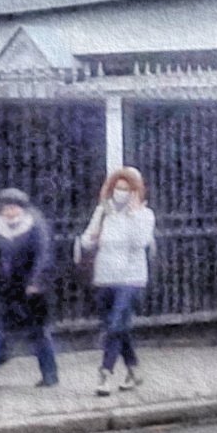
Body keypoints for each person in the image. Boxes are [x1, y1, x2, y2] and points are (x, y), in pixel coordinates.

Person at [0, 186, 58, 389]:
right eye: (5, 208)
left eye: (13, 207)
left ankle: (50, 375)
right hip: (5, 288)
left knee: (39, 331)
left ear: (22, 208)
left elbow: (43, 257)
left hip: (31, 288)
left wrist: (36, 282)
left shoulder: (36, 226)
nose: (8, 212)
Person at [78, 166, 154, 396]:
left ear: (136, 191)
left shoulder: (145, 215)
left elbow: (140, 242)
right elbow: (86, 240)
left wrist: (133, 216)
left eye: (127, 189)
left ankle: (105, 373)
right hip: (105, 276)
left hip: (131, 278)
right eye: (118, 188)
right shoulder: (103, 211)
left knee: (115, 325)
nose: (121, 193)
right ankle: (133, 369)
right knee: (118, 328)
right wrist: (91, 239)